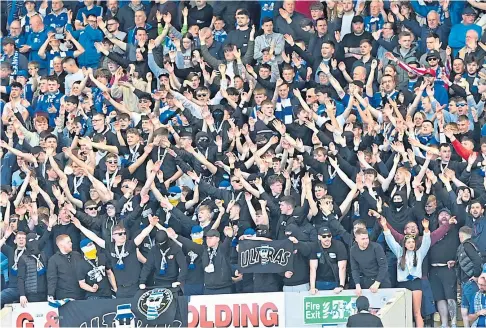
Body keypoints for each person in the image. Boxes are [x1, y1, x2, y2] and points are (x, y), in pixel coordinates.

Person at [350, 228, 391, 296]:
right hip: (367, 280)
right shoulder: (353, 250)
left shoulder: (376, 247)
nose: (366, 241)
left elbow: (383, 266)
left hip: (382, 280)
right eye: (363, 239)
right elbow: (355, 269)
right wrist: (357, 284)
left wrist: (377, 283)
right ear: (356, 239)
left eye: (367, 238)